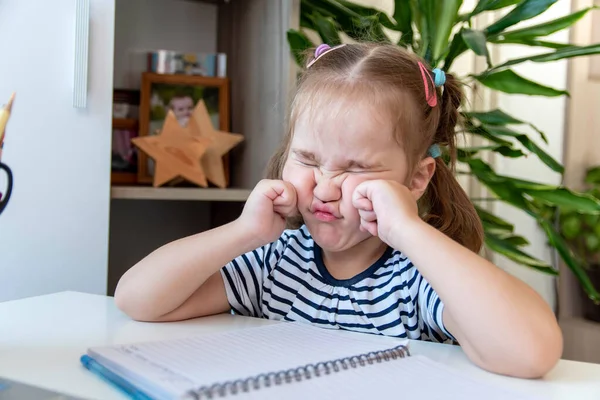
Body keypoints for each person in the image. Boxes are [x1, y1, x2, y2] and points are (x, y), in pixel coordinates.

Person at [114, 43, 562, 379]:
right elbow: (138, 300)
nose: (324, 188)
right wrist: (242, 233)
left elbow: (531, 352)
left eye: (357, 168)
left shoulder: (418, 277)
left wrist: (410, 232)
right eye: (307, 160)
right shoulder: (275, 264)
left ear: (417, 179)